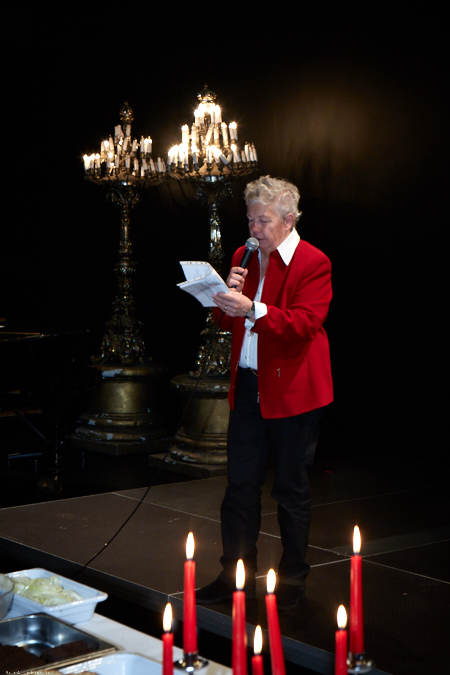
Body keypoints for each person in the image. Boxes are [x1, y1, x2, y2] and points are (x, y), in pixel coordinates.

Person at [196, 175, 333, 610]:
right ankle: (234, 577)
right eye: (251, 219)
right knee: (239, 488)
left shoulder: (313, 261)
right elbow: (226, 322)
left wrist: (251, 308)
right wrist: (223, 297)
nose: (254, 229)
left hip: (294, 391)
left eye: (264, 221)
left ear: (288, 220)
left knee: (290, 490)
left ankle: (292, 581)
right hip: (249, 386)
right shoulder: (244, 255)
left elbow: (303, 325)